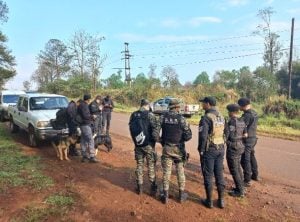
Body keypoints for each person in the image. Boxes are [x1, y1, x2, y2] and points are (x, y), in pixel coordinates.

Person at [155, 99, 192, 204]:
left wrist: (162, 141)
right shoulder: (182, 119)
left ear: (169, 107)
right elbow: (188, 136)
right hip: (179, 149)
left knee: (167, 172)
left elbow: (155, 134)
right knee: (180, 171)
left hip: (167, 148)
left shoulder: (162, 117)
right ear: (177, 107)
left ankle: (165, 196)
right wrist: (181, 140)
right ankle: (181, 196)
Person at [198, 96, 225, 209]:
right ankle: (221, 201)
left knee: (208, 175)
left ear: (208, 104)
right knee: (219, 174)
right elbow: (226, 132)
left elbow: (203, 136)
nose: (202, 105)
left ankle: (209, 201)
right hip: (221, 148)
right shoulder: (222, 117)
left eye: (203, 103)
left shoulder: (206, 118)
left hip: (210, 150)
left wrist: (201, 150)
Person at [129, 99, 158, 196]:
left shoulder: (133, 115)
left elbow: (131, 130)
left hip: (138, 145)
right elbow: (155, 132)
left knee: (139, 165)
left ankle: (140, 187)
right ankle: (153, 187)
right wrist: (155, 142)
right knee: (151, 165)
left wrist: (137, 141)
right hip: (149, 145)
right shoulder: (150, 115)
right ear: (148, 105)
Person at [225, 104, 248, 198]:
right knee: (238, 168)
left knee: (234, 169)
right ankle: (241, 187)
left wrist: (227, 142)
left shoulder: (231, 122)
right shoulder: (242, 120)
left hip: (233, 147)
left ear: (231, 112)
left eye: (228, 111)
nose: (228, 113)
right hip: (241, 146)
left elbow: (228, 135)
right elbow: (246, 134)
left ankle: (240, 191)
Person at [238, 98, 259, 186]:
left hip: (247, 139)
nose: (239, 107)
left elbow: (243, 126)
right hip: (253, 138)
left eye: (239, 105)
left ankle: (247, 179)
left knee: (244, 159)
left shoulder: (246, 115)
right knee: (251, 156)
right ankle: (255, 175)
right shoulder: (255, 113)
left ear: (243, 106)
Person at [77, 94, 99, 163]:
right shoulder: (85, 106)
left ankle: (84, 156)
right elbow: (86, 116)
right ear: (88, 99)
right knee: (90, 140)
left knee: (83, 140)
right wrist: (92, 116)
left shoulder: (80, 104)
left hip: (82, 125)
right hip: (85, 125)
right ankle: (92, 156)